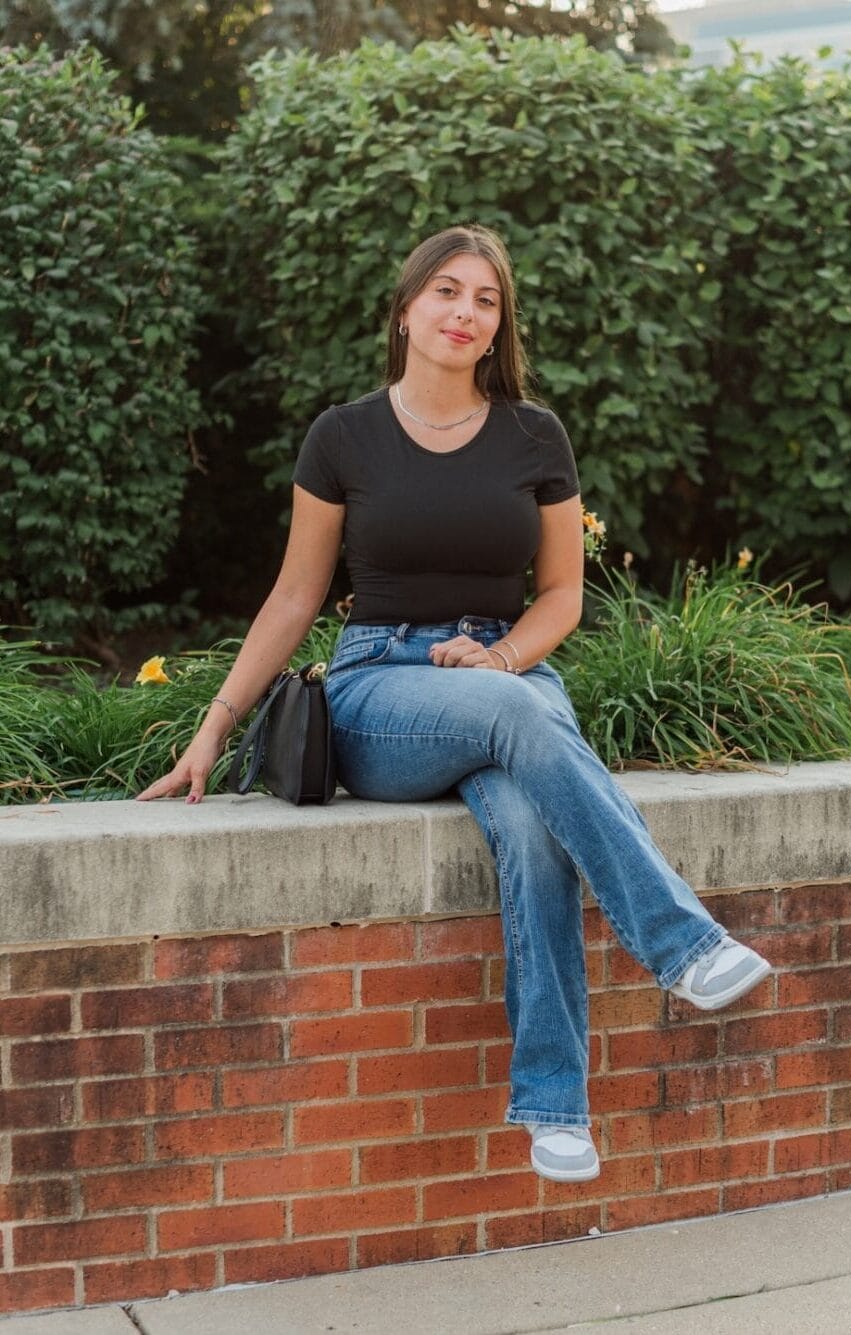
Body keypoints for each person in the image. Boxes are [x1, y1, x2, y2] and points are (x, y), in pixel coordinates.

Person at [138, 224, 771, 1184]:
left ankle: (556, 1107)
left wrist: (504, 656)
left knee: (530, 818)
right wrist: (211, 727)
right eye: (446, 291)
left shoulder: (534, 435)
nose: (465, 312)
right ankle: (681, 944)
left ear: (499, 321)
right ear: (406, 308)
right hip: (380, 686)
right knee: (522, 717)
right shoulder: (342, 435)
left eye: (486, 298)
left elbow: (563, 592)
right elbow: (295, 595)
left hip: (505, 671)